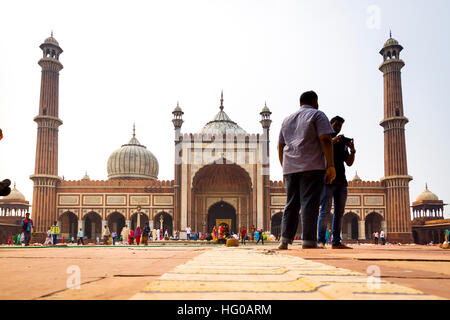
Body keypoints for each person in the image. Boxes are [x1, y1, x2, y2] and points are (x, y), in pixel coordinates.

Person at [277, 91, 336, 250]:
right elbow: (325, 138)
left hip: (291, 167)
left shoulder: (287, 119)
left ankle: (284, 241)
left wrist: (284, 167)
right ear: (315, 102)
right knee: (309, 203)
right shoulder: (317, 114)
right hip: (311, 165)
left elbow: (280, 145)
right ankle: (309, 242)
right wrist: (330, 165)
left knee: (291, 204)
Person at [317, 116, 356, 250]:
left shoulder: (341, 144)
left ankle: (336, 242)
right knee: (325, 211)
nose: (338, 128)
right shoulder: (324, 139)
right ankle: (321, 241)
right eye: (336, 125)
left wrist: (352, 150)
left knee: (339, 213)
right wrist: (333, 141)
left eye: (340, 126)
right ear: (330, 125)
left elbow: (349, 163)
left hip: (341, 182)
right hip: (327, 181)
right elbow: (318, 153)